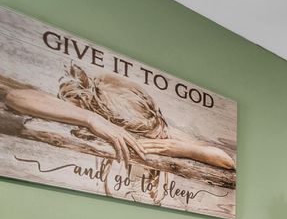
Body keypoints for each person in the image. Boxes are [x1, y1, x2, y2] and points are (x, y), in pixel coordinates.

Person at [2, 64, 234, 170]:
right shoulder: (92, 112)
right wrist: (91, 119)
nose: (156, 139)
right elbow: (15, 97)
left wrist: (184, 149)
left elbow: (227, 161)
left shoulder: (156, 127)